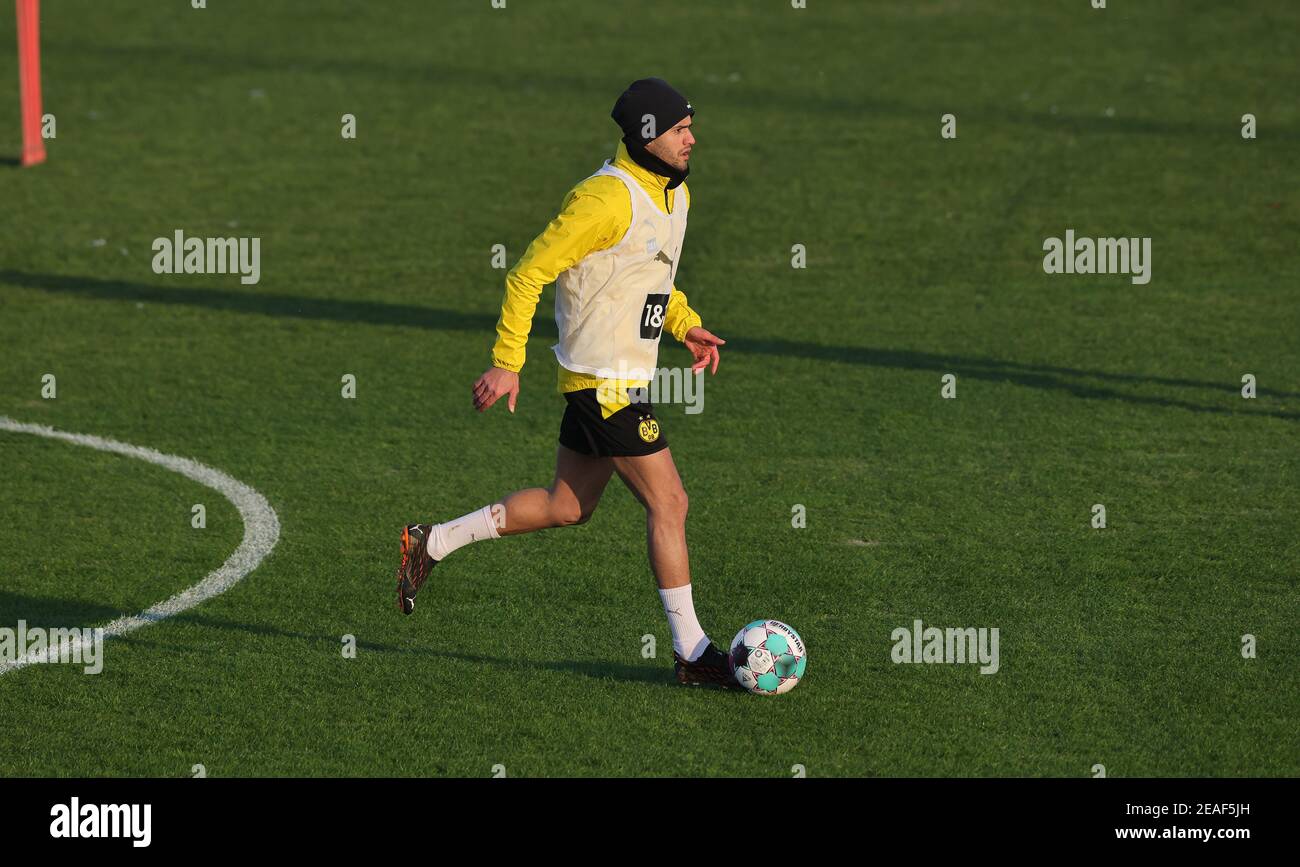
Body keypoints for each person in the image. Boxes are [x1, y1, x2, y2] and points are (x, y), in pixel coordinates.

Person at [396, 78, 736, 688]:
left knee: (567, 506)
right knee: (671, 503)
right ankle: (691, 651)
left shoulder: (673, 197)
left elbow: (650, 279)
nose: (693, 139)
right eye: (681, 130)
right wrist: (508, 361)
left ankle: (433, 542)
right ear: (649, 136)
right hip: (603, 385)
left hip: (623, 378)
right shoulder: (603, 201)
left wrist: (685, 324)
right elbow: (528, 273)